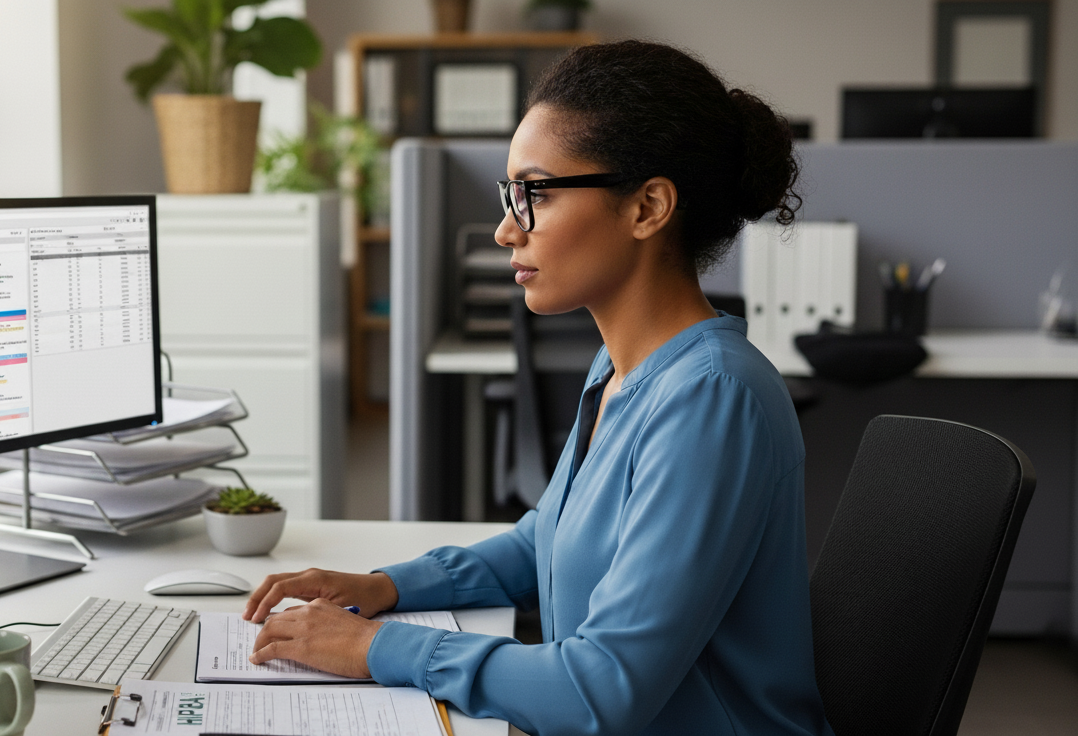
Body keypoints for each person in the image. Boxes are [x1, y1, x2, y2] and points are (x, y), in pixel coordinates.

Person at [241, 40, 833, 736]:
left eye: (536, 194)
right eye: (510, 195)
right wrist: (386, 588)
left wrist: (378, 647)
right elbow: (542, 543)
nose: (504, 228)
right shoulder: (619, 371)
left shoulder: (711, 401)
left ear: (647, 208)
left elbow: (600, 690)